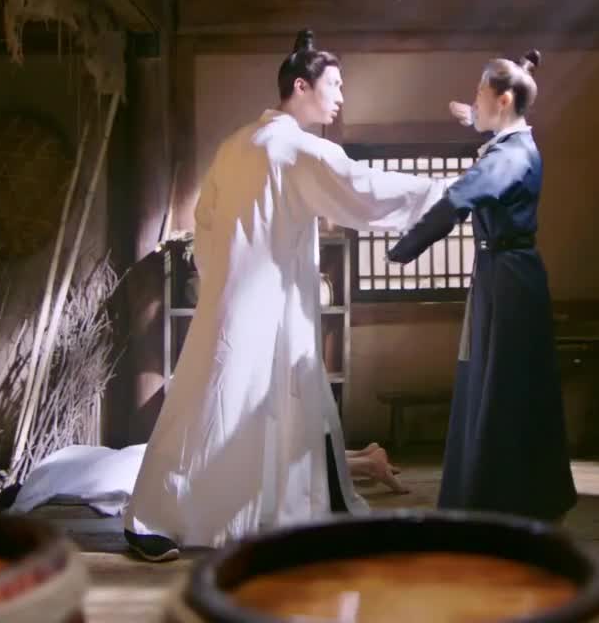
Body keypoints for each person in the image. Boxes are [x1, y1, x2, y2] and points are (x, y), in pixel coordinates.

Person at [123, 30, 445, 561]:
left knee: (209, 402)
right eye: (334, 85)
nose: (340, 97)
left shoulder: (236, 144)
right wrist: (438, 194)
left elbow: (205, 221)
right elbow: (359, 187)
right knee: (240, 406)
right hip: (264, 297)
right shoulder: (294, 146)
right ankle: (196, 517)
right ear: (301, 86)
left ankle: (163, 515)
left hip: (233, 297)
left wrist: (221, 277)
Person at [387, 50, 577, 522]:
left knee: (505, 385)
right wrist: (471, 114)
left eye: (479, 93)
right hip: (501, 273)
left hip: (510, 281)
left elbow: (460, 198)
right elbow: (485, 119)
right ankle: (500, 496)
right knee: (493, 379)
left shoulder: (511, 156)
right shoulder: (511, 141)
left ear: (505, 99)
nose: (473, 102)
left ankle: (504, 500)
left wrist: (404, 248)